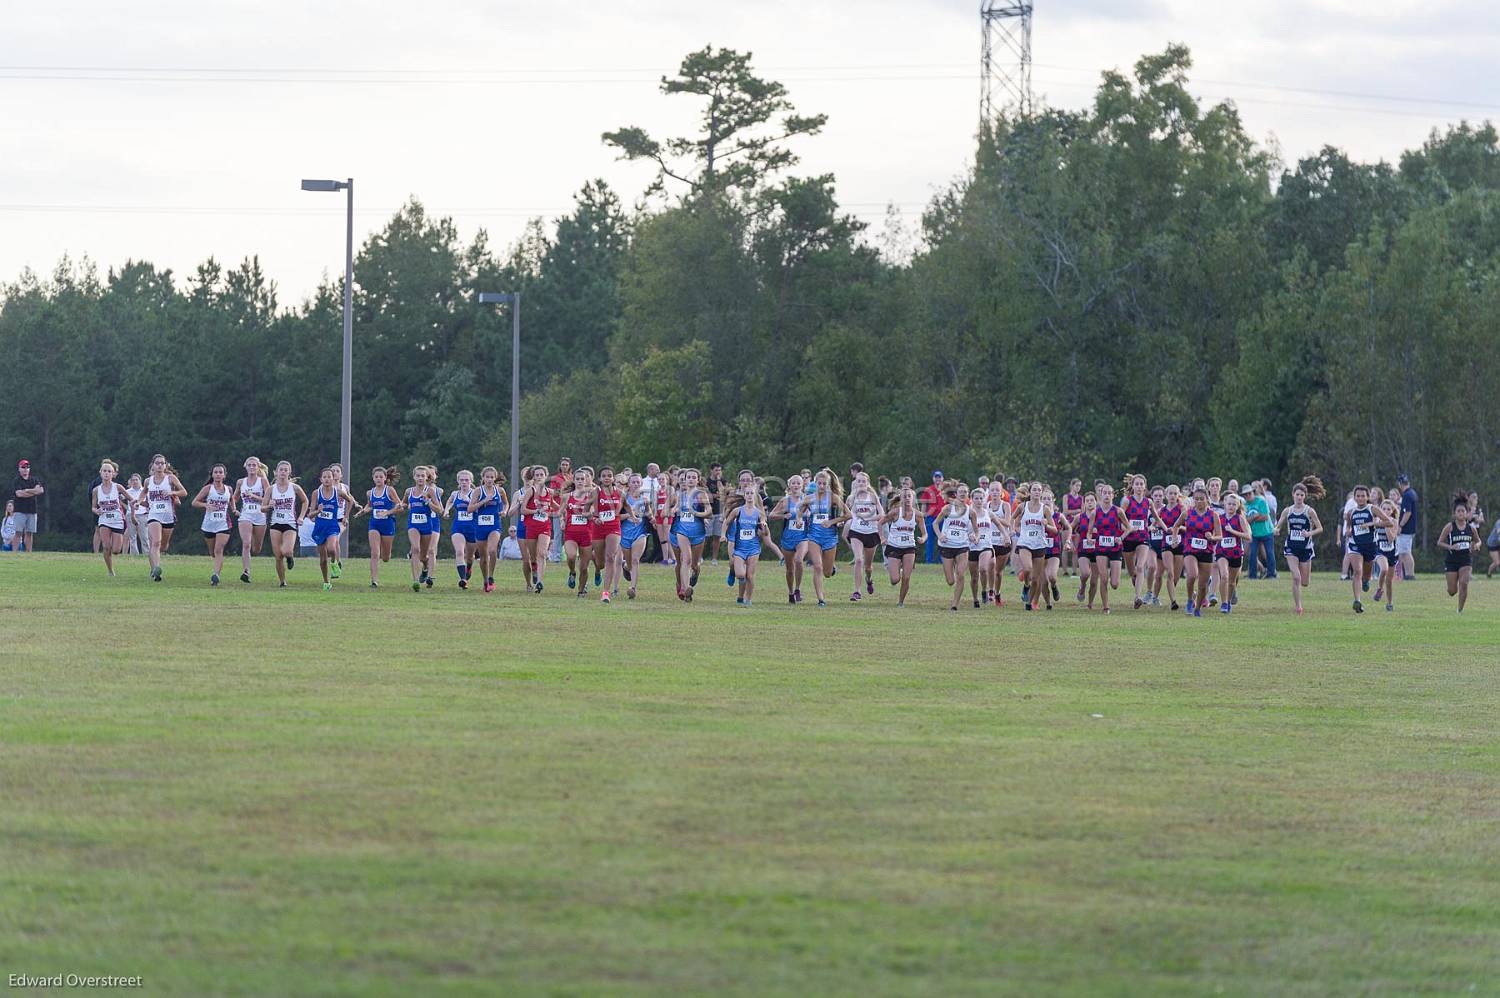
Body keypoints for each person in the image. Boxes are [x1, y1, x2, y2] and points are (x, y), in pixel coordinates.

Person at [1273, 476, 1325, 615]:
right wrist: (1276, 530)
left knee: (1305, 582)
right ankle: (1298, 607)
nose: (1299, 497)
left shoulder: (1309, 511)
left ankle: (1300, 595)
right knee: (1296, 577)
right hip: (1291, 547)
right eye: (1297, 494)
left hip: (1306, 549)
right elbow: (1277, 527)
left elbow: (1320, 528)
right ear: (1293, 495)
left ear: (1305, 496)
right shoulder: (1287, 511)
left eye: (1302, 495)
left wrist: (1309, 533)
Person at [721, 470, 774, 606]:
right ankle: (732, 572)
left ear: (752, 481)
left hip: (751, 540)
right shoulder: (734, 497)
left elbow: (763, 520)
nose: (745, 482)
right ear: (739, 482)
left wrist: (763, 526)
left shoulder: (757, 500)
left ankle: (743, 597)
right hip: (734, 535)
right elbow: (726, 514)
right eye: (742, 480)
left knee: (748, 575)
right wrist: (723, 532)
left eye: (747, 480)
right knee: (735, 564)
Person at [1342, 485, 1398, 614]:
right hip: (1355, 545)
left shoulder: (1372, 509)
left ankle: (1366, 581)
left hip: (1370, 547)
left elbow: (1389, 522)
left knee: (1365, 575)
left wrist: (1372, 523)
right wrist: (1349, 532)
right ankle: (1357, 601)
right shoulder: (1351, 512)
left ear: (1367, 497)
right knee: (1357, 571)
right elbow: (1349, 528)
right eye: (1358, 496)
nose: (1360, 498)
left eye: (1363, 496)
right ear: (1354, 497)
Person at [137, 454, 187, 582]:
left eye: (162, 463)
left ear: (166, 466)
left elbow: (184, 492)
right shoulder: (148, 481)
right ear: (153, 465)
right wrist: (139, 501)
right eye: (157, 463)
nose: (159, 465)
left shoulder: (170, 478)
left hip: (168, 516)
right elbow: (144, 492)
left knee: (163, 547)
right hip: (154, 515)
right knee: (156, 542)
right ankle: (156, 569)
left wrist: (172, 492)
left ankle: (155, 564)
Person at [1173, 485, 1221, 618]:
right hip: (1190, 549)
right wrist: (1174, 539)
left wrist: (1212, 538)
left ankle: (1198, 608)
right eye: (1196, 499)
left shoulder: (1214, 515)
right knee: (1192, 575)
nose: (1199, 502)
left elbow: (1220, 536)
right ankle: (1189, 599)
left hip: (1206, 551)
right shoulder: (1187, 512)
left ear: (1207, 499)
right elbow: (1176, 526)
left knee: (1203, 585)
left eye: (1201, 499)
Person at [306, 466, 351, 591]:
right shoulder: (316, 493)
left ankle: (334, 563)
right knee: (322, 559)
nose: (327, 479)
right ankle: (326, 582)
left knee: (331, 548)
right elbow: (310, 515)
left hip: (332, 526)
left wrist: (345, 516)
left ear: (333, 478)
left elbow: (350, 501)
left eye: (329, 477)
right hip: (320, 528)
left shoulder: (338, 492)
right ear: (321, 479)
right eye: (324, 477)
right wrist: (318, 511)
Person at [880, 487, 926, 607]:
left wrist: (922, 539)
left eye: (909, 496)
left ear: (913, 498)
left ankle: (901, 602)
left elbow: (925, 533)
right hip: (894, 546)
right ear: (901, 499)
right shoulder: (895, 512)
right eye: (904, 496)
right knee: (895, 580)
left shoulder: (918, 515)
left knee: (906, 577)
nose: (907, 499)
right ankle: (896, 569)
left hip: (909, 547)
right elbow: (880, 522)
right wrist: (882, 538)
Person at [357, 465, 403, 588]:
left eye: (380, 477)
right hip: (374, 524)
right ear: (373, 478)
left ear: (385, 478)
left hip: (388, 524)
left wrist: (388, 512)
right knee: (375, 553)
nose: (378, 479)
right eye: (376, 477)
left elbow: (400, 506)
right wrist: (363, 511)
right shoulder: (369, 492)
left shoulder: (390, 490)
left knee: (386, 557)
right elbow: (370, 505)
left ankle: (386, 554)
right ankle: (374, 581)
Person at [935, 483, 977, 612]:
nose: (963, 494)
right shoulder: (948, 508)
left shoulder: (971, 512)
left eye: (965, 492)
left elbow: (976, 530)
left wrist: (975, 536)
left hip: (962, 546)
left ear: (968, 494)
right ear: (956, 494)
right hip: (947, 545)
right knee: (950, 581)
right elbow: (935, 524)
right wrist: (940, 535)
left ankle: (954, 605)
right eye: (961, 491)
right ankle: (952, 568)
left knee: (961, 575)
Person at [191, 463, 234, 586]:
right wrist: (206, 505)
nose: (218, 474)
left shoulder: (229, 489)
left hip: (224, 524)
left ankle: (216, 575)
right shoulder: (208, 489)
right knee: (212, 552)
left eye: (221, 472)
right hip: (209, 524)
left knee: (218, 549)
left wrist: (234, 509)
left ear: (224, 475)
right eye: (216, 472)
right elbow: (194, 502)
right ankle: (216, 566)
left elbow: (231, 500)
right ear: (212, 474)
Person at [768, 474, 809, 604]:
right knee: (789, 569)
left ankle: (797, 589)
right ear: (789, 485)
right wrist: (783, 516)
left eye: (798, 483)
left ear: (802, 485)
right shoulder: (785, 501)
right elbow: (771, 515)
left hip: (803, 537)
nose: (796, 485)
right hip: (787, 538)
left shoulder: (807, 500)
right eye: (794, 483)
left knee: (798, 560)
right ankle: (791, 592)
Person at [266, 461, 308, 588]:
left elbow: (305, 501)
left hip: (290, 524)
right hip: (275, 524)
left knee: (287, 550)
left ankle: (290, 557)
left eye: (286, 470)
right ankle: (282, 581)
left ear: (289, 472)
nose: (283, 472)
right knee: (278, 555)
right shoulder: (271, 489)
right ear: (276, 472)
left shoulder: (294, 488)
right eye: (281, 470)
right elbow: (262, 508)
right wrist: (269, 505)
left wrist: (301, 517)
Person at [1437, 493, 1480, 613]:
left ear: (1467, 513)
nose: (1461, 513)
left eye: (1463, 511)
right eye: (1458, 511)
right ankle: (1452, 586)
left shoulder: (1471, 528)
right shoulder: (1449, 527)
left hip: (1465, 560)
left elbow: (1478, 541)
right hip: (1451, 561)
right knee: (1452, 591)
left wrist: (1476, 545)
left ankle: (1459, 610)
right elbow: (1439, 542)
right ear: (1454, 513)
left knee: (1464, 583)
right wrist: (1451, 546)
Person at [845, 472, 884, 602]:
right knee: (858, 560)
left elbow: (882, 515)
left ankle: (869, 579)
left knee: (868, 567)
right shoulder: (851, 498)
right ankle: (857, 591)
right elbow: (846, 513)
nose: (861, 483)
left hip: (871, 533)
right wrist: (841, 520)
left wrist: (869, 518)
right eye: (859, 481)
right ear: (855, 483)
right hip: (856, 532)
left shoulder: (873, 497)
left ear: (867, 483)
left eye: (863, 481)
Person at [518, 465, 555, 592]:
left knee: (542, 553)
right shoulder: (531, 491)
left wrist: (562, 511)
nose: (539, 477)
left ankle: (539, 581)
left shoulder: (550, 492)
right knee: (532, 556)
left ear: (546, 476)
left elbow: (554, 506)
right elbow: (523, 510)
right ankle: (534, 567)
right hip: (531, 527)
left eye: (541, 475)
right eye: (537, 475)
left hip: (545, 526)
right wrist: (536, 510)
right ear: (533, 477)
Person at [233, 457, 270, 583]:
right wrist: (233, 509)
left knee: (256, 548)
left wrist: (254, 496)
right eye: (249, 465)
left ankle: (253, 550)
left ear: (258, 467)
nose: (252, 467)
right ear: (245, 467)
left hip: (260, 515)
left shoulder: (263, 481)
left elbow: (269, 499)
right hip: (245, 515)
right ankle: (246, 571)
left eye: (254, 465)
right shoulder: (240, 482)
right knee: (246, 544)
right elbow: (234, 498)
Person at [1214, 492, 1252, 613]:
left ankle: (1229, 601)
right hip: (1222, 552)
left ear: (1237, 506)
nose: (1231, 506)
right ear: (1224, 504)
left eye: (1233, 504)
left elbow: (1248, 536)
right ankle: (1224, 603)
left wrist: (1233, 531)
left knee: (1231, 582)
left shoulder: (1240, 518)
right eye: (1229, 504)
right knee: (1224, 576)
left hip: (1236, 553)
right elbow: (1214, 534)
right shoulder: (1219, 518)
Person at [591, 466, 624, 603]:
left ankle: (605, 592)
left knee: (610, 557)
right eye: (604, 476)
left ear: (613, 478)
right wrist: (595, 517)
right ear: (599, 478)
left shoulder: (620, 493)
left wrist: (633, 516)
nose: (607, 478)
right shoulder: (596, 491)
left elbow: (625, 507)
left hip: (613, 527)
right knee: (600, 562)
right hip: (598, 528)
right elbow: (590, 509)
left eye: (609, 475)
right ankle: (597, 569)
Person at [472, 467, 507, 593]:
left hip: (494, 525)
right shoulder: (478, 491)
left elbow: (506, 504)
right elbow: (470, 509)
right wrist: (483, 501)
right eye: (487, 477)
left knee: (492, 550)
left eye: (492, 477)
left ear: (495, 478)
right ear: (483, 478)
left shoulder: (500, 490)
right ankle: (485, 580)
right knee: (483, 557)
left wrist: (504, 511)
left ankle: (491, 577)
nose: (490, 479)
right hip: (480, 526)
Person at [405, 466, 440, 592]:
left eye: (422, 476)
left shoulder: (430, 491)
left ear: (427, 478)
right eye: (418, 475)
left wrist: (428, 502)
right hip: (413, 524)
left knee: (424, 556)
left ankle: (425, 568)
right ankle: (415, 581)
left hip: (427, 525)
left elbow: (439, 509)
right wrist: (395, 509)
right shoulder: (409, 491)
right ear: (414, 477)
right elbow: (403, 504)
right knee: (415, 549)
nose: (420, 478)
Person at [91, 459, 127, 576]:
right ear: (100, 472)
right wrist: (97, 511)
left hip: (117, 520)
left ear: (113, 474)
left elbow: (130, 498)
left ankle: (113, 547)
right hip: (104, 520)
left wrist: (135, 504)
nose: (106, 473)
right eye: (104, 471)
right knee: (106, 546)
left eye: (109, 471)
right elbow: (93, 507)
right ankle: (110, 571)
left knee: (116, 550)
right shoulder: (96, 490)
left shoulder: (118, 487)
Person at [618, 473, 652, 600]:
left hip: (640, 532)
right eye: (633, 482)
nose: (636, 484)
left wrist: (652, 519)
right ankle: (625, 567)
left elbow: (648, 512)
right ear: (629, 484)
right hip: (625, 533)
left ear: (641, 483)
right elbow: (617, 517)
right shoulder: (623, 499)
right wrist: (630, 515)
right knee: (629, 563)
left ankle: (632, 588)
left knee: (635, 560)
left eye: (638, 482)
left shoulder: (645, 499)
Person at [444, 469, 479, 589]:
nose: (464, 482)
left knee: (470, 556)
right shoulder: (455, 494)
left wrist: (468, 500)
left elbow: (480, 508)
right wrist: (446, 510)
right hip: (458, 527)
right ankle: (463, 579)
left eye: (466, 480)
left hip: (473, 528)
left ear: (471, 481)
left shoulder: (476, 493)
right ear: (458, 481)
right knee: (459, 552)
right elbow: (449, 501)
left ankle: (468, 567)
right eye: (461, 480)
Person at [1372, 498, 1401, 612]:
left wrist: (1386, 524)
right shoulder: (1376, 520)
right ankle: (1379, 588)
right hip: (1380, 551)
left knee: (1389, 581)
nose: (1386, 511)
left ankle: (1389, 604)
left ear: (1392, 511)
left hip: (1392, 553)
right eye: (1383, 509)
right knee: (1383, 569)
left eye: (1388, 509)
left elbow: (1390, 539)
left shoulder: (1394, 522)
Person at [8, 459, 43, 552]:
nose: (25, 469)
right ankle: (14, 553)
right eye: (23, 467)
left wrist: (27, 490)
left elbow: (40, 490)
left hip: (32, 510)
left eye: (27, 467)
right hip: (20, 510)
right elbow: (19, 494)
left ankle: (28, 553)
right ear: (19, 469)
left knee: (29, 533)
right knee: (18, 532)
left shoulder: (34, 479)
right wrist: (33, 491)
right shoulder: (17, 481)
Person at [1245, 480, 1276, 580]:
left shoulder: (1261, 500)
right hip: (1254, 533)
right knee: (1252, 553)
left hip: (1266, 531)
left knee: (1269, 553)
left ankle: (1271, 574)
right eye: (1246, 494)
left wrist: (1252, 518)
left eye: (1249, 493)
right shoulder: (1245, 505)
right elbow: (1245, 521)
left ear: (1253, 492)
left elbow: (1265, 517)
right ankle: (1252, 575)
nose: (1248, 496)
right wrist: (1255, 516)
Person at [919, 471, 945, 564]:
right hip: (931, 517)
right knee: (929, 540)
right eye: (936, 477)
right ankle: (929, 560)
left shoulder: (945, 490)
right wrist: (922, 515)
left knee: (942, 539)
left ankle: (942, 560)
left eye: (939, 477)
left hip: (942, 518)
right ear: (933, 478)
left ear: (942, 478)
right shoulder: (929, 489)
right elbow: (924, 503)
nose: (938, 479)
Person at [1396, 473, 1418, 580]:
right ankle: (1406, 574)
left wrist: (1400, 525)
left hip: (1406, 529)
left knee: (1405, 552)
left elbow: (1407, 513)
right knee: (1404, 552)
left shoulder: (1407, 495)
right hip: (1410, 528)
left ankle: (1410, 574)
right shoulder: (1412, 493)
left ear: (1400, 484)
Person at [705, 462, 726, 565]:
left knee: (717, 536)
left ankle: (714, 559)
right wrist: (715, 495)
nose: (718, 472)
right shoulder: (706, 482)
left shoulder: (722, 481)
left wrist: (718, 481)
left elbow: (723, 494)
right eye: (716, 470)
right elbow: (708, 497)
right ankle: (699, 556)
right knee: (705, 536)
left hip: (719, 512)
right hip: (708, 513)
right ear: (711, 470)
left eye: (719, 470)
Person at [123, 473, 146, 555]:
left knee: (144, 536)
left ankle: (147, 554)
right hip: (130, 515)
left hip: (142, 514)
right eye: (133, 480)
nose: (135, 482)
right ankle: (134, 554)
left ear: (140, 481)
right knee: (132, 537)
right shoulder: (127, 491)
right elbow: (121, 497)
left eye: (137, 480)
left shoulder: (145, 491)